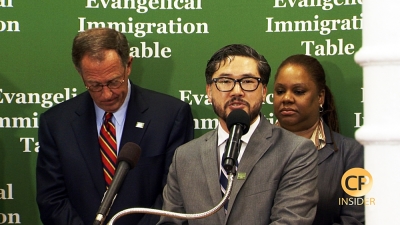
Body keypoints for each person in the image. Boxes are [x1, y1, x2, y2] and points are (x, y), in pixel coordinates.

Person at [36, 28, 194, 225]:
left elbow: (174, 196)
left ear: (128, 65)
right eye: (94, 85)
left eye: (114, 82)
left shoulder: (171, 116)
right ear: (80, 73)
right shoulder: (56, 123)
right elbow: (52, 200)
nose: (107, 94)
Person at [158, 44, 318, 225]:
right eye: (225, 81)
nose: (236, 91)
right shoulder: (185, 157)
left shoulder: (295, 151)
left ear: (264, 91)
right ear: (209, 91)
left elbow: (291, 221)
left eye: (248, 81)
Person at [273, 54, 364, 225]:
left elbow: (356, 219)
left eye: (298, 91)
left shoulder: (352, 155)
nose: (286, 98)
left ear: (320, 96)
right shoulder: (255, 148)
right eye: (280, 91)